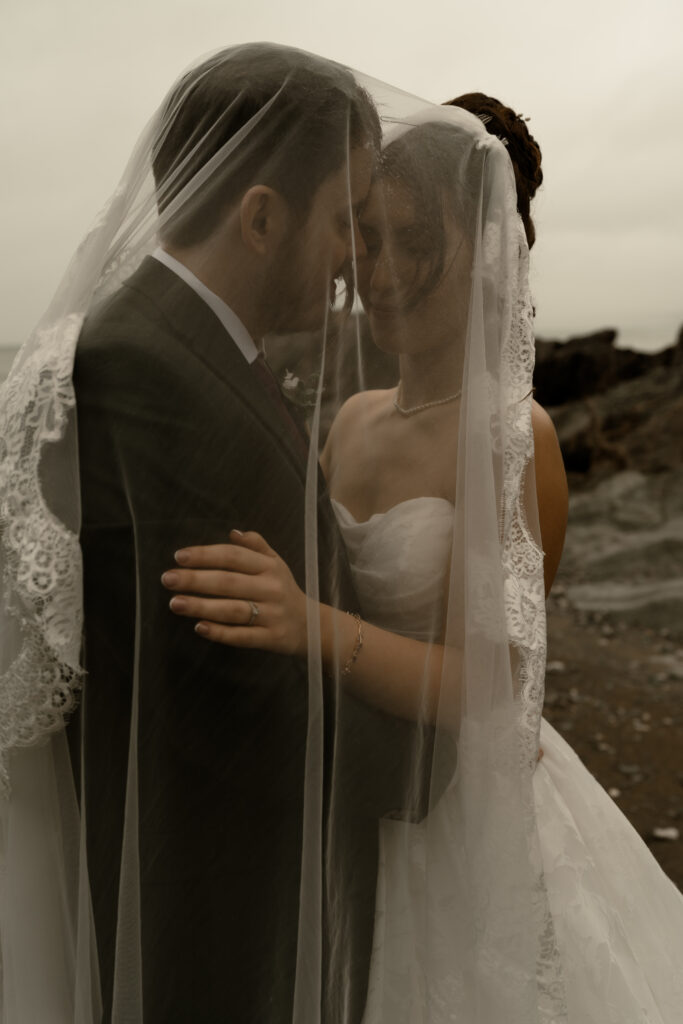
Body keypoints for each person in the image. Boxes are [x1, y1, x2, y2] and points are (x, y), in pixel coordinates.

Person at [164, 109, 683, 1020]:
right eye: (365, 238)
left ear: (484, 254)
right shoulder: (354, 416)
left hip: (453, 817)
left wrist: (308, 625)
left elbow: (491, 687)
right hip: (346, 785)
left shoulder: (512, 435)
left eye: (414, 241)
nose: (380, 271)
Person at [0, 46, 436, 1024]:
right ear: (261, 217)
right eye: (341, 221)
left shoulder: (188, 344)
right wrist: (432, 751)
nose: (351, 264)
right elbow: (225, 687)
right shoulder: (146, 369)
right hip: (207, 915)